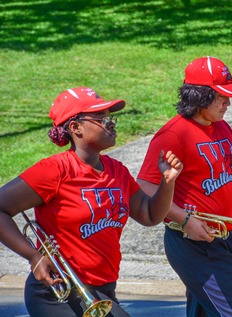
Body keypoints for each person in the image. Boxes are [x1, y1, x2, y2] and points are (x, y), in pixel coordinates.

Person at [0, 86, 183, 317]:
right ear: (76, 127)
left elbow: (149, 215)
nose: (111, 123)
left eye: (110, 117)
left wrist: (167, 183)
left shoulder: (118, 171)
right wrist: (34, 257)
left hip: (102, 290)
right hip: (58, 292)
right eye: (100, 119)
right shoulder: (54, 170)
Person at [137, 56, 232, 317]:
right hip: (192, 243)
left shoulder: (221, 127)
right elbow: (145, 186)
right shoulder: (174, 134)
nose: (228, 102)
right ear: (199, 97)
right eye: (221, 96)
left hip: (221, 240)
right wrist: (185, 220)